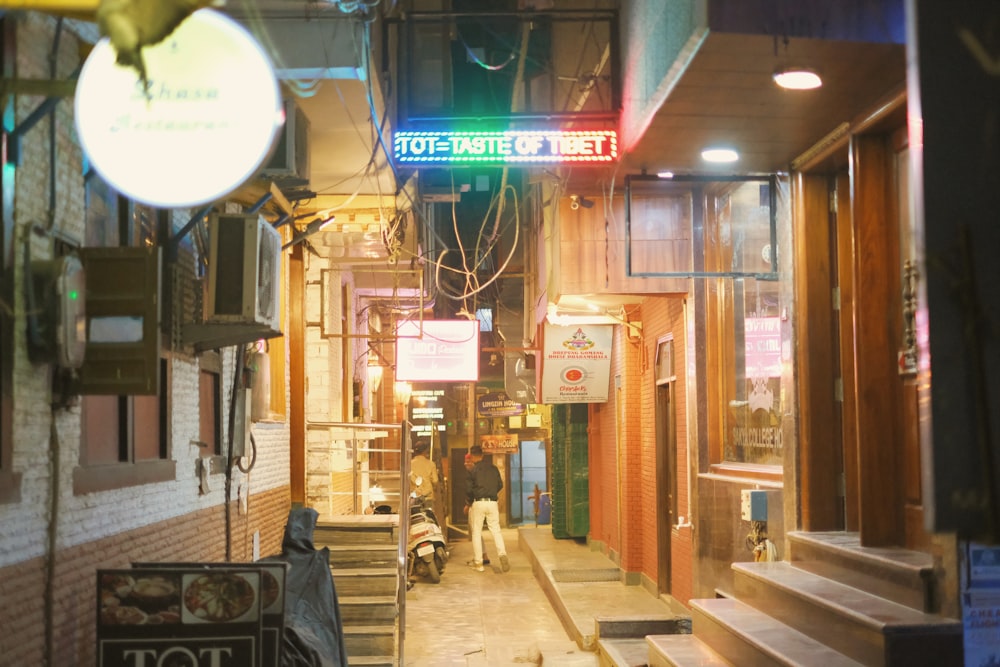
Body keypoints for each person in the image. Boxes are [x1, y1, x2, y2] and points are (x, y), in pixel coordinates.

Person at [465, 445, 509, 573]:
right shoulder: (493, 468)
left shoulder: (472, 471)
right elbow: (500, 484)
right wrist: (491, 492)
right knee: (496, 530)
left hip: (478, 503)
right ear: (482, 455)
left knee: (477, 532)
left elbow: (468, 490)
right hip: (492, 502)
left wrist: (469, 502)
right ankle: (502, 554)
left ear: (472, 456)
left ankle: (478, 563)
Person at [464, 452, 489, 566]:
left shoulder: (474, 473)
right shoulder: (478, 473)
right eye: (465, 461)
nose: (466, 464)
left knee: (476, 531)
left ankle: (480, 557)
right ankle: (483, 555)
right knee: (476, 531)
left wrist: (468, 504)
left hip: (476, 505)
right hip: (478, 504)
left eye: (468, 461)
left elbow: (471, 491)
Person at [409, 439, 438, 503]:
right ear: (426, 451)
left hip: (415, 494)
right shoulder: (431, 464)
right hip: (428, 495)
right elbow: (435, 480)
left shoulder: (409, 464)